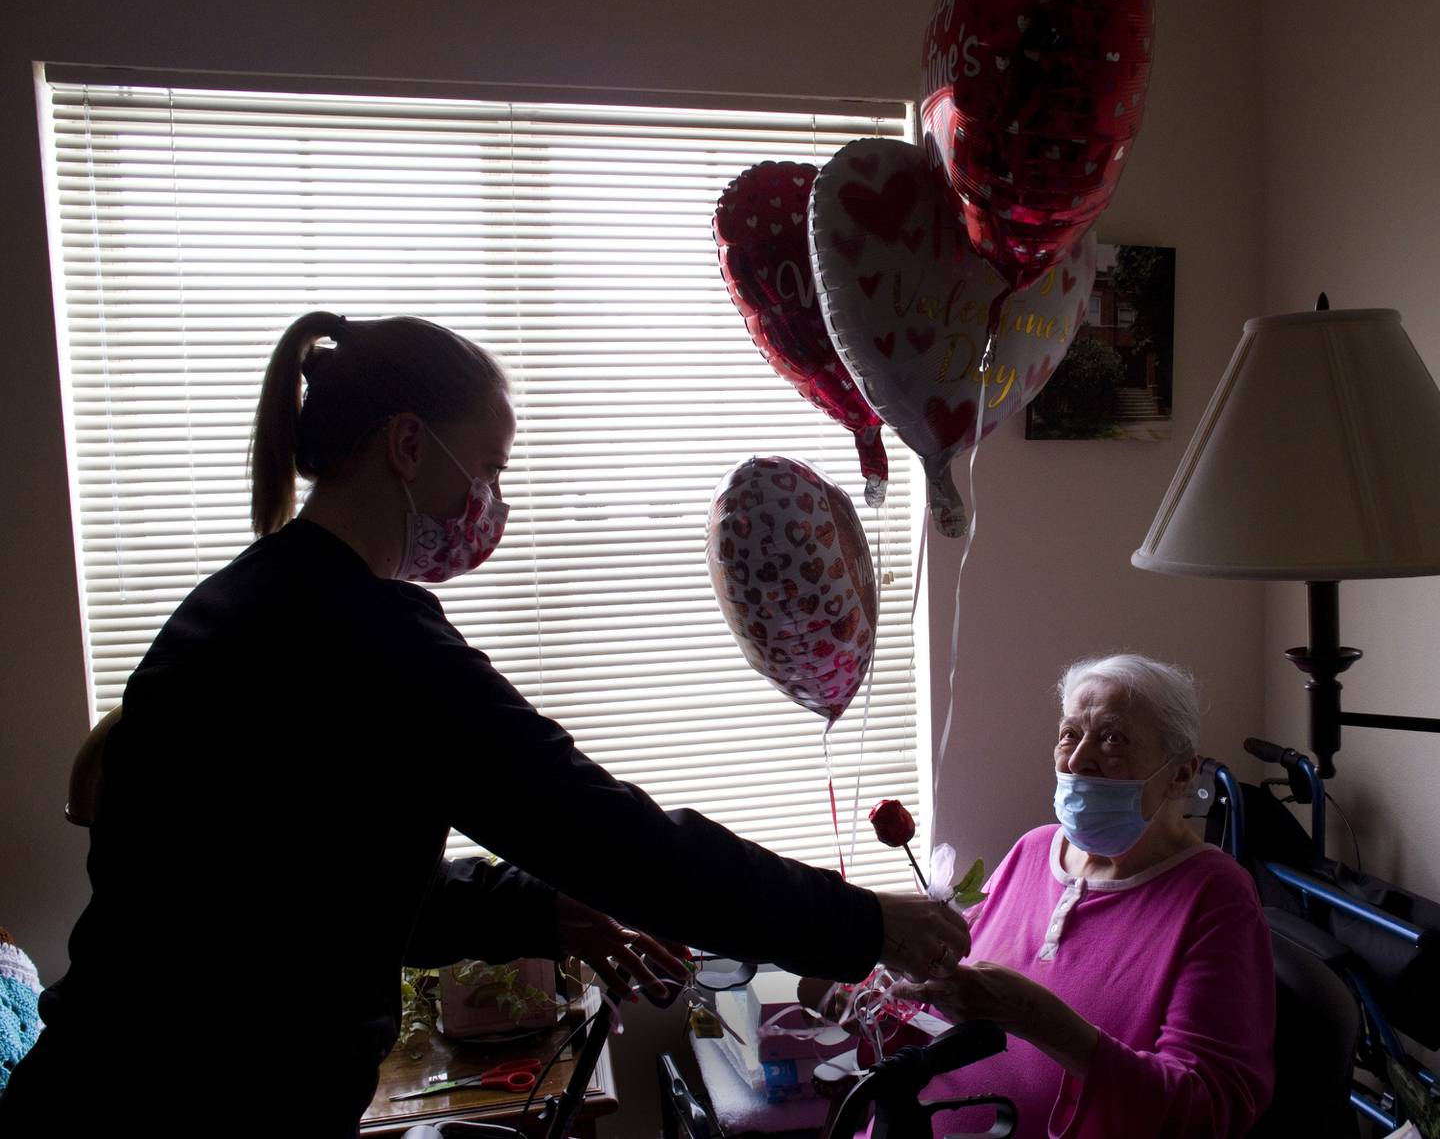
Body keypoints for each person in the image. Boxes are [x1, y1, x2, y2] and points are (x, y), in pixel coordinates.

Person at [0, 313, 971, 1137]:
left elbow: (319, 884)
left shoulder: (241, 603)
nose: (489, 504)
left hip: (102, 1085)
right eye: (490, 466)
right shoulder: (370, 637)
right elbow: (614, 837)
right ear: (409, 446)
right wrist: (865, 921)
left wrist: (543, 908)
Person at [896, 654, 1276, 1138]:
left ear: (1181, 774)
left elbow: (1205, 1111)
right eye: (1070, 734)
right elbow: (947, 994)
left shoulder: (1215, 898)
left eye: (1112, 739)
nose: (1077, 760)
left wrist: (1034, 1017)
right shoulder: (1033, 849)